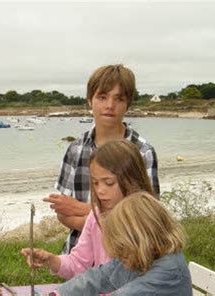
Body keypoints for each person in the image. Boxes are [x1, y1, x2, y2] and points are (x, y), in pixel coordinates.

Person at [45, 64, 160, 254]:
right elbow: (63, 212)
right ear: (90, 100)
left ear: (127, 104)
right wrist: (113, 219)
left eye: (119, 98)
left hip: (125, 258)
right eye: (102, 97)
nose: (109, 105)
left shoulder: (142, 152)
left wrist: (81, 208)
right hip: (77, 257)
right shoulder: (76, 149)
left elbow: (146, 220)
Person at [21, 139, 154, 280]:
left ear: (133, 180)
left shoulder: (147, 221)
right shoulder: (96, 216)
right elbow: (78, 262)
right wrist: (51, 260)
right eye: (95, 183)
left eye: (109, 183)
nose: (100, 190)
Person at [56, 191, 192, 295]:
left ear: (139, 241)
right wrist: (60, 294)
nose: (121, 258)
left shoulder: (169, 271)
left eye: (123, 250)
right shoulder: (141, 256)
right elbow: (100, 276)